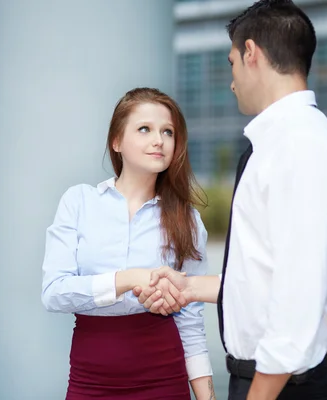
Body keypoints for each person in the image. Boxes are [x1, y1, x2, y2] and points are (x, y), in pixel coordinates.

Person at [134, 1, 327, 399]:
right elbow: (264, 277)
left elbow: (297, 295)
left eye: (232, 62)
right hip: (276, 380)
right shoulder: (282, 142)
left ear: (251, 53)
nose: (232, 80)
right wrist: (186, 287)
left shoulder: (301, 145)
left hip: (283, 385)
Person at [41, 88, 216, 400]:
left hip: (164, 377)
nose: (159, 140)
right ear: (117, 141)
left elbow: (191, 320)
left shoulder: (186, 218)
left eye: (168, 132)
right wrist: (129, 279)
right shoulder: (79, 202)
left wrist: (207, 397)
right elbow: (54, 293)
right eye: (144, 129)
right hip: (89, 379)